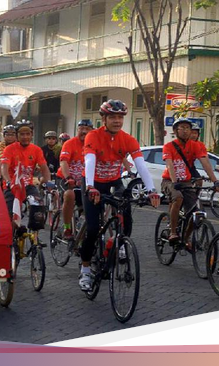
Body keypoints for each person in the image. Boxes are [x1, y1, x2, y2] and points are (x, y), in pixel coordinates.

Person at [79, 100, 160, 291]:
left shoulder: (128, 139)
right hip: (93, 182)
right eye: (112, 117)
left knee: (126, 212)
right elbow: (89, 161)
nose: (117, 121)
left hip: (113, 182)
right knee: (92, 229)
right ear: (104, 119)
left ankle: (120, 242)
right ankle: (85, 270)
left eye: (120, 117)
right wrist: (90, 186)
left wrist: (151, 190)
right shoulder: (93, 136)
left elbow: (141, 165)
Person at [161, 118, 219, 246]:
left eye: (187, 128)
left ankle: (185, 238)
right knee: (177, 198)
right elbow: (170, 165)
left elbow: (205, 163)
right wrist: (174, 181)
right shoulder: (169, 146)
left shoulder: (195, 146)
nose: (185, 131)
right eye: (182, 128)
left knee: (197, 213)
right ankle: (173, 232)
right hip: (170, 181)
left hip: (186, 181)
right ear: (176, 131)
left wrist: (215, 181)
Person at [0, 120, 54, 229]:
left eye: (28, 134)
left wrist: (49, 183)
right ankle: (12, 239)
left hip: (28, 186)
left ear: (32, 135)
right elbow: (4, 168)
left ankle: (35, 237)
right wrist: (9, 182)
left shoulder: (36, 150)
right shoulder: (9, 149)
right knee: (11, 216)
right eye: (22, 134)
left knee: (38, 209)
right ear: (17, 135)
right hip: (12, 187)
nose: (25, 137)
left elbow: (44, 168)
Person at [57, 120, 92, 240]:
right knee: (69, 195)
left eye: (87, 129)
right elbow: (64, 161)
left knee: (90, 203)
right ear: (77, 130)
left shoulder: (93, 144)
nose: (84, 131)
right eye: (81, 129)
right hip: (65, 178)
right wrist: (68, 177)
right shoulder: (69, 144)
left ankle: (81, 232)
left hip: (83, 181)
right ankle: (67, 227)